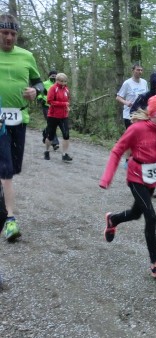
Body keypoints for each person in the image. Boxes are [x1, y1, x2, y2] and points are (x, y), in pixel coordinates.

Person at [99, 94, 156, 280]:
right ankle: (155, 264)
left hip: (152, 179)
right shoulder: (137, 129)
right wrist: (107, 178)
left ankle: (113, 220)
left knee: (136, 213)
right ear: (152, 114)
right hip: (136, 177)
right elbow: (117, 150)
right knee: (151, 217)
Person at [0, 13, 44, 241]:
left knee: (13, 167)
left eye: (13, 33)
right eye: (4, 32)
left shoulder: (27, 56)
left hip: (19, 119)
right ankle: (10, 219)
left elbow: (39, 82)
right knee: (6, 167)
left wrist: (35, 91)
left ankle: (3, 197)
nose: (9, 37)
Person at [116, 63, 148, 168]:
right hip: (129, 114)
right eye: (137, 70)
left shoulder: (144, 82)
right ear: (133, 70)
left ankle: (138, 159)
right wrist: (126, 103)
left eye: (141, 70)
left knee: (141, 138)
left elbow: (147, 97)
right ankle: (127, 160)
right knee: (131, 138)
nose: (139, 72)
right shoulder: (127, 83)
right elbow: (118, 97)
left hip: (142, 114)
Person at [44, 73, 72, 162]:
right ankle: (47, 151)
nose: (63, 83)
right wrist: (63, 104)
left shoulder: (66, 89)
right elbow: (49, 101)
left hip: (64, 116)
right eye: (61, 81)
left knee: (66, 135)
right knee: (51, 135)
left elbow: (68, 100)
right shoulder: (53, 88)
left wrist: (67, 107)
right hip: (53, 115)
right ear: (57, 80)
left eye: (65, 81)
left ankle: (64, 154)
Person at [37, 70, 59, 151]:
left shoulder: (59, 85)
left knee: (52, 124)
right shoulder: (45, 83)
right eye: (52, 75)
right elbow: (39, 92)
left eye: (55, 75)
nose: (53, 76)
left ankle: (45, 133)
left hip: (56, 107)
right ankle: (55, 143)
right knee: (52, 124)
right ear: (49, 76)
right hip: (46, 106)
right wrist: (40, 99)